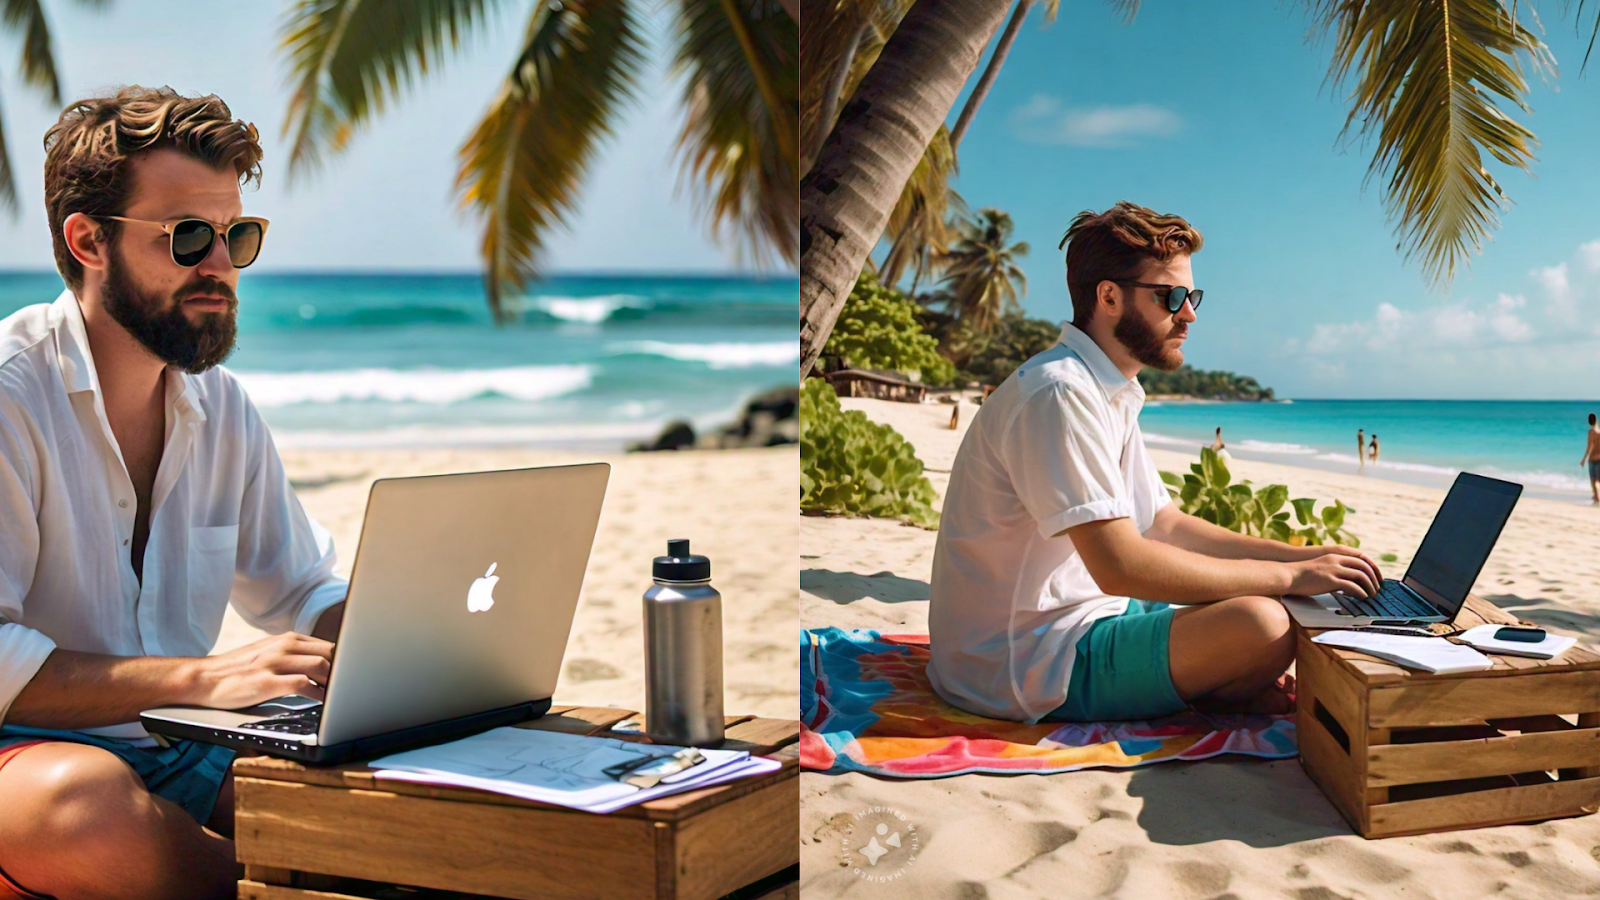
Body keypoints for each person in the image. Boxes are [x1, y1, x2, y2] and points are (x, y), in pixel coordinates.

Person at [0, 87, 349, 900]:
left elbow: (298, 587)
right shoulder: (11, 398)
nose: (220, 265)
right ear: (88, 242)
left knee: (374, 784)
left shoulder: (219, 406)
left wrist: (404, 648)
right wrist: (203, 679)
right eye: (189, 237)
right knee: (84, 809)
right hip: (28, 760)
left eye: (238, 236)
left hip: (172, 745)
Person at [926, 201, 1381, 726]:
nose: (1189, 314)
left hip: (1079, 615)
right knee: (1264, 624)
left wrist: (1302, 558)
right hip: (1021, 661)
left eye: (1193, 296)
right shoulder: (1060, 393)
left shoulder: (1108, 388)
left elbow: (1164, 525)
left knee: (1283, 610)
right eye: (1172, 297)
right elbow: (1120, 566)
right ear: (1109, 296)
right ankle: (1220, 689)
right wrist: (1289, 577)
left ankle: (1221, 687)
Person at [1583, 413, 1600, 503]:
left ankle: (1597, 496)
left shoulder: (1591, 432)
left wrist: (1583, 459)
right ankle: (1597, 496)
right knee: (1598, 479)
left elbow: (1589, 447)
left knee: (1593, 480)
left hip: (1592, 459)